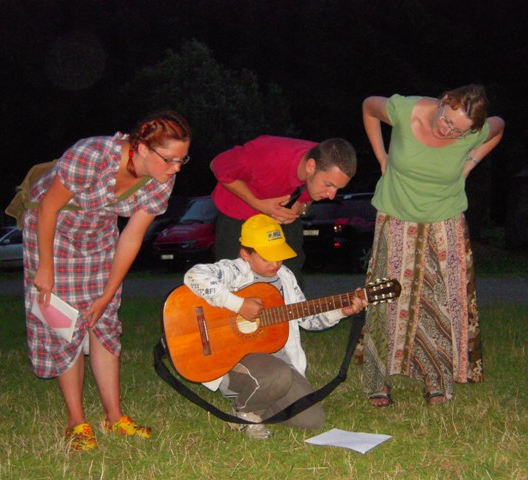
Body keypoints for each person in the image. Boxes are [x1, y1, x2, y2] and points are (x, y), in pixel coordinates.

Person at [22, 111, 192, 451]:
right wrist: (45, 267)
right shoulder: (92, 155)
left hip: (99, 235)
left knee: (103, 321)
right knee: (66, 324)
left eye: (182, 160)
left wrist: (107, 294)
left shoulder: (160, 179)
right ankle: (76, 422)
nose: (175, 168)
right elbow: (48, 209)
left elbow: (131, 237)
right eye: (169, 159)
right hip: (54, 234)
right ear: (141, 148)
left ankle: (114, 417)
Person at [361, 84, 505, 407]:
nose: (447, 131)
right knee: (386, 295)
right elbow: (369, 106)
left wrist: (469, 162)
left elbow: (499, 127)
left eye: (458, 131)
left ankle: (435, 379)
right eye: (446, 120)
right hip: (396, 215)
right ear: (443, 102)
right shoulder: (404, 110)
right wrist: (382, 158)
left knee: (439, 301)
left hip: (444, 220)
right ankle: (378, 380)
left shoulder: (473, 132)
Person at [183, 214, 368, 439]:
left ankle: (260, 393)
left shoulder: (285, 276)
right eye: (267, 258)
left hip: (278, 363)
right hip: (233, 358)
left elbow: (306, 319)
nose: (275, 264)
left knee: (311, 419)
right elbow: (194, 276)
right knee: (279, 375)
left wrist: (340, 311)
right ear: (246, 254)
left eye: (279, 256)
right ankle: (245, 412)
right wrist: (238, 305)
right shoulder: (234, 271)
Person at [210, 135, 358, 287]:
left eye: (337, 188)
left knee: (291, 272)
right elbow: (217, 164)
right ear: (310, 166)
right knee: (234, 278)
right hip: (238, 213)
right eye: (329, 185)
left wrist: (302, 206)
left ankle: (289, 301)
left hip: (281, 216)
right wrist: (257, 204)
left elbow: (307, 199)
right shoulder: (268, 154)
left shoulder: (324, 159)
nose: (332, 195)